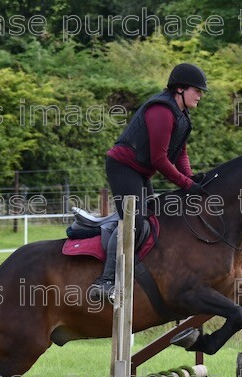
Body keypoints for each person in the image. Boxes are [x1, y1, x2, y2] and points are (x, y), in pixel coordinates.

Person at [88, 62, 208, 302]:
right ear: (180, 89)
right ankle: (105, 282)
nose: (201, 95)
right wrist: (185, 185)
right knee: (134, 222)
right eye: (197, 90)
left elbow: (180, 153)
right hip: (123, 167)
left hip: (141, 171)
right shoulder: (161, 111)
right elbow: (159, 159)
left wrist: (190, 176)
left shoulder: (182, 114)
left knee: (153, 220)